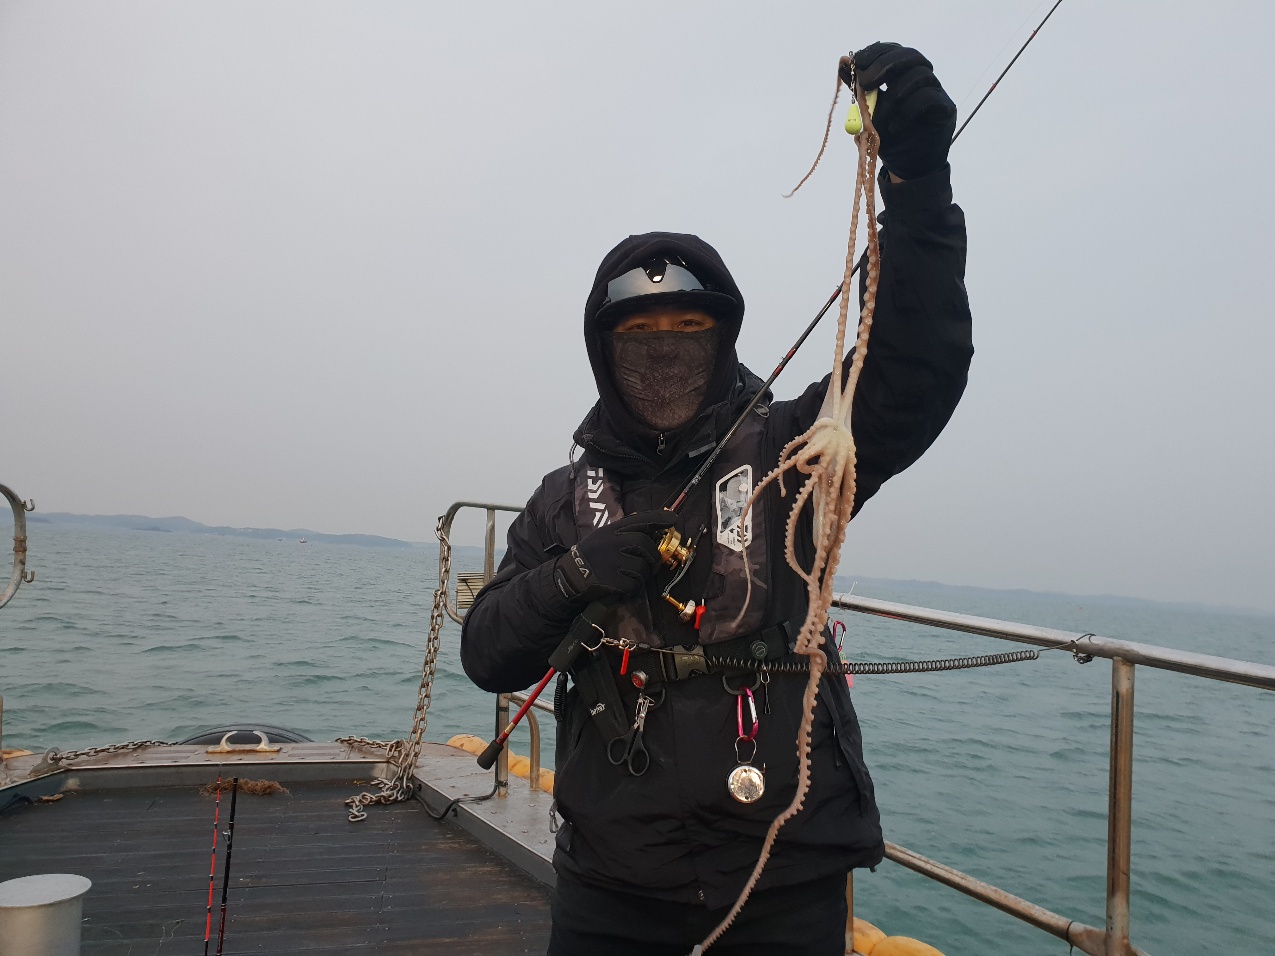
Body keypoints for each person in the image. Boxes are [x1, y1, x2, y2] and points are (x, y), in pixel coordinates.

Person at [461, 42, 972, 956]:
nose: (664, 349)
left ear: (724, 335)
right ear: (603, 350)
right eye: (640, 332)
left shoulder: (795, 449)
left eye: (689, 326)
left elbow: (913, 366)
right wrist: (574, 575)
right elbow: (488, 653)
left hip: (783, 872)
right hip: (609, 879)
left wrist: (917, 180)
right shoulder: (560, 501)